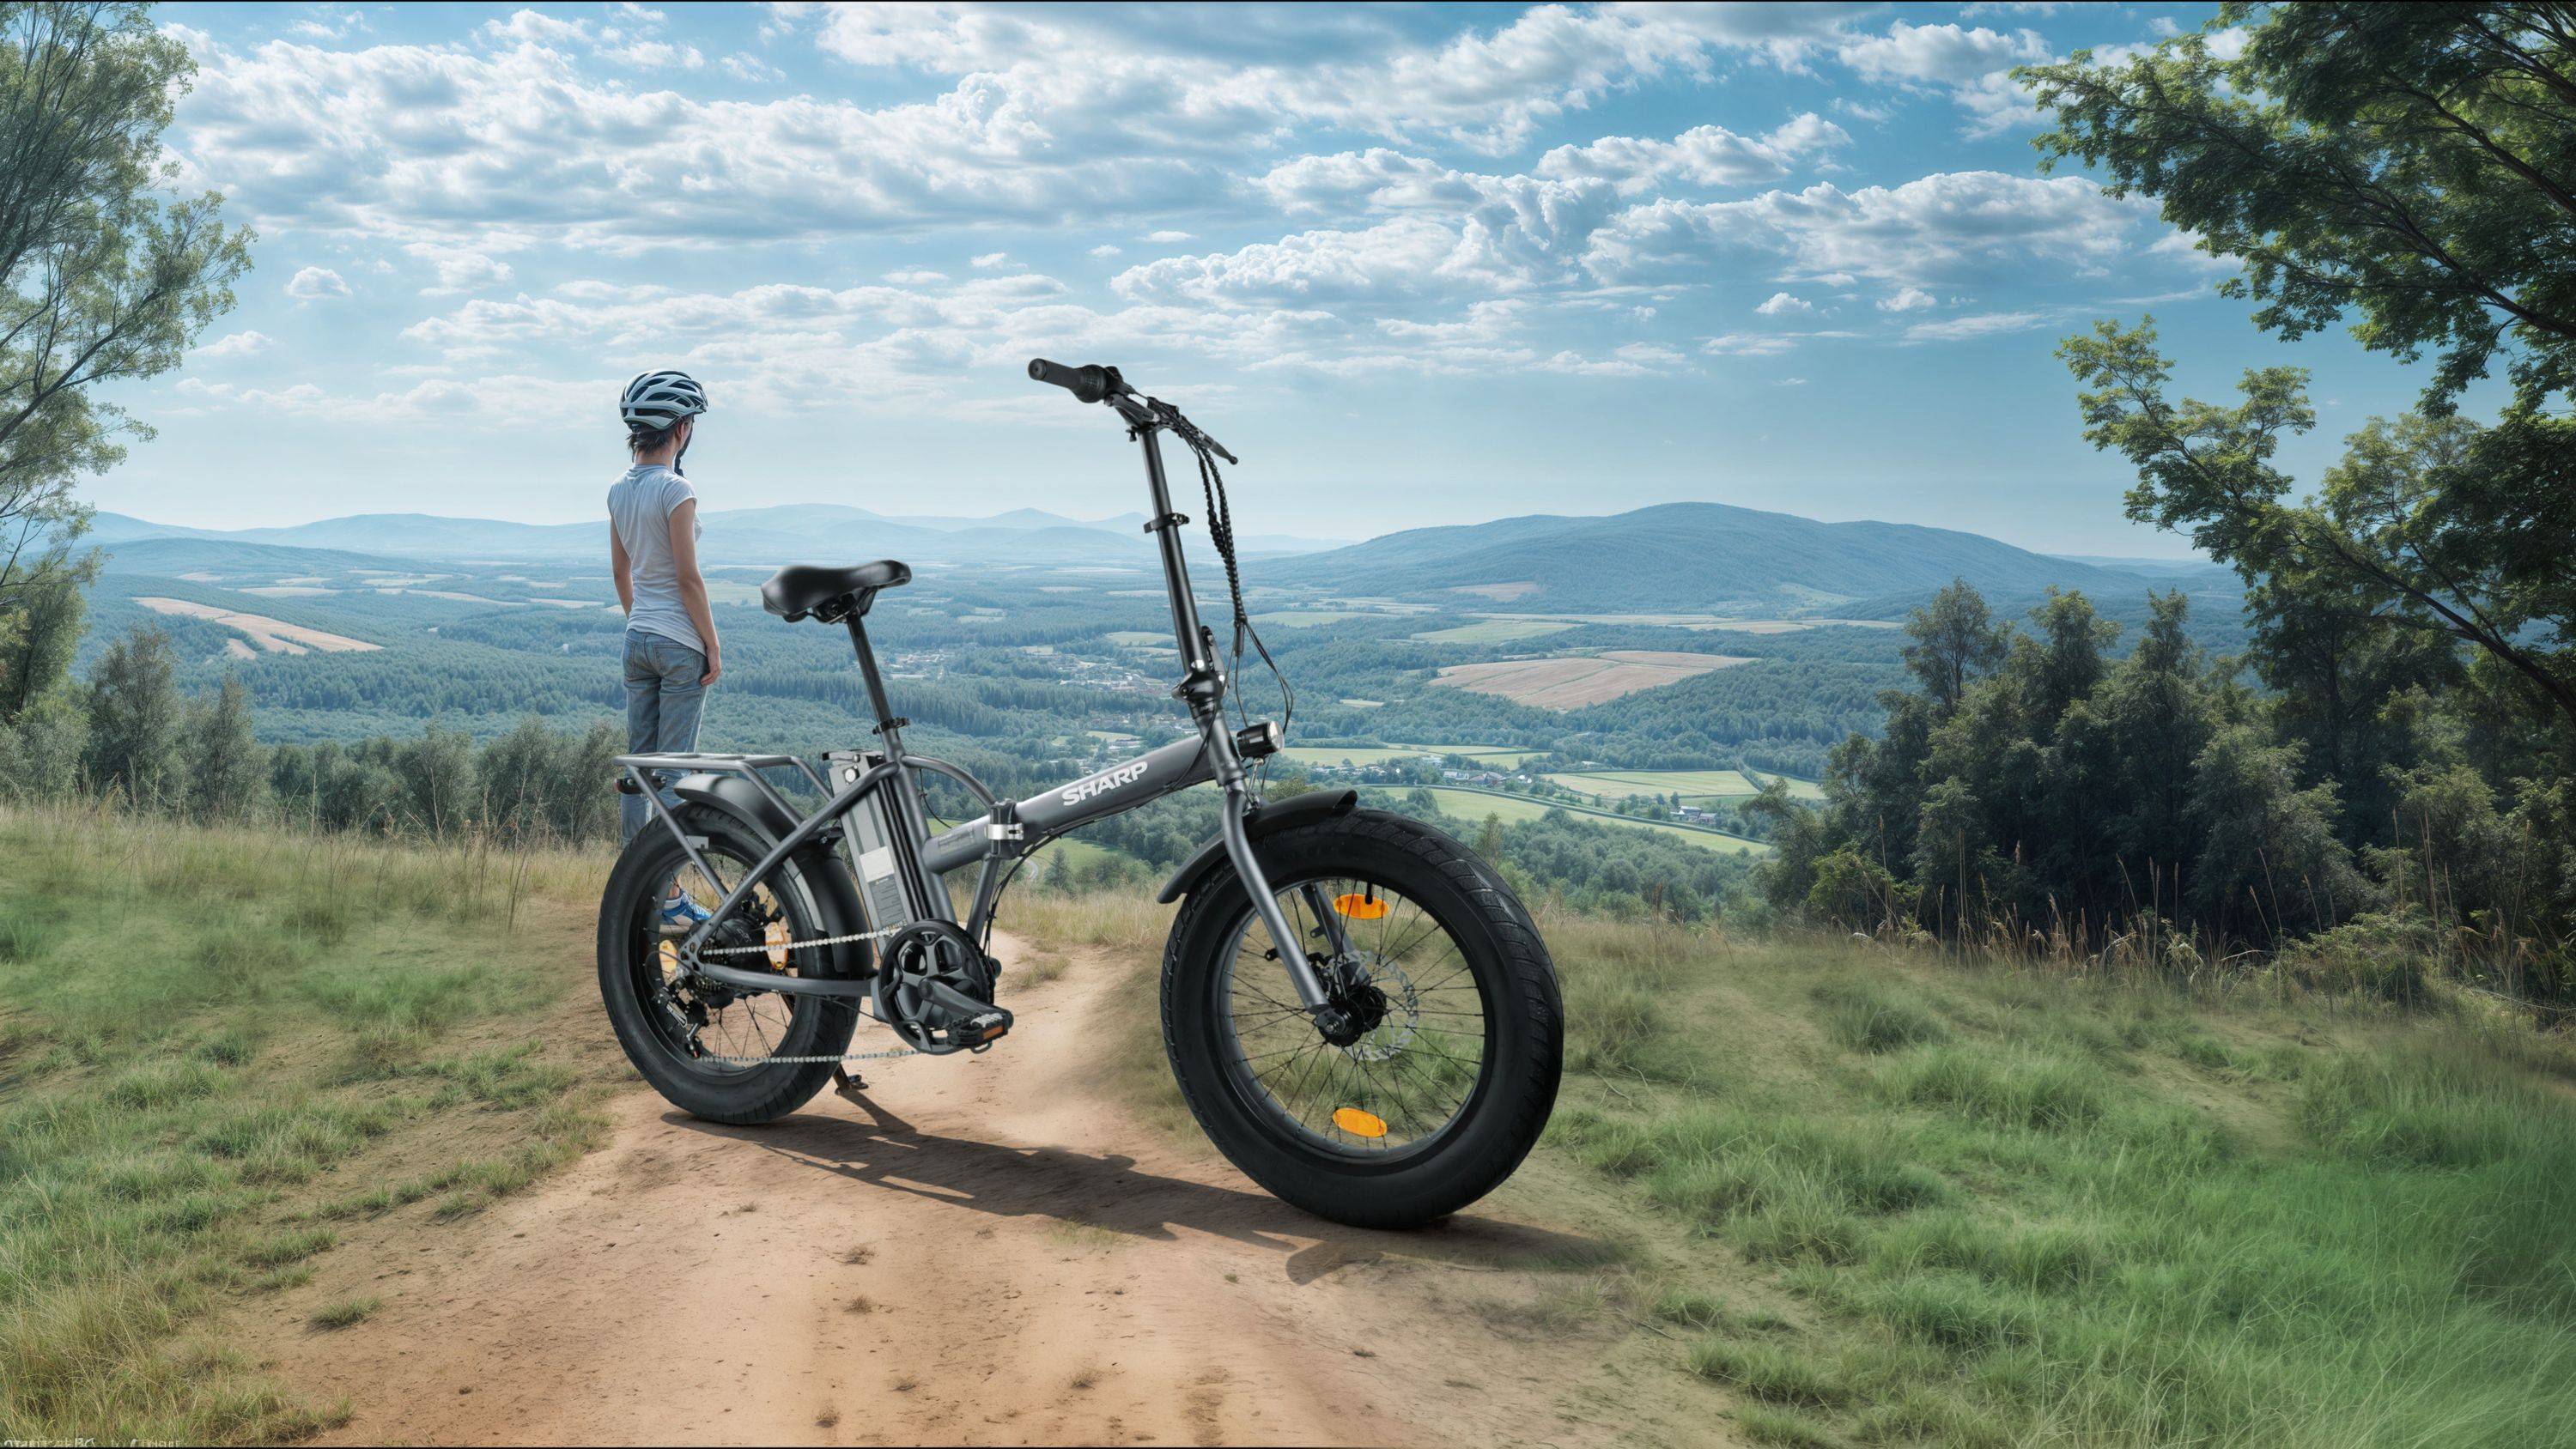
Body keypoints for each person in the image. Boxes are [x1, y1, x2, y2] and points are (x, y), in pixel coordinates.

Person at [608, 368, 721, 930]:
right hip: (678, 642)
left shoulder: (618, 490)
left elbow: (620, 572)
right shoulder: (677, 490)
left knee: (638, 770)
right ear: (680, 429)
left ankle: (636, 882)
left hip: (637, 639)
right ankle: (671, 896)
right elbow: (688, 579)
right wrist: (712, 645)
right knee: (674, 773)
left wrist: (642, 627)